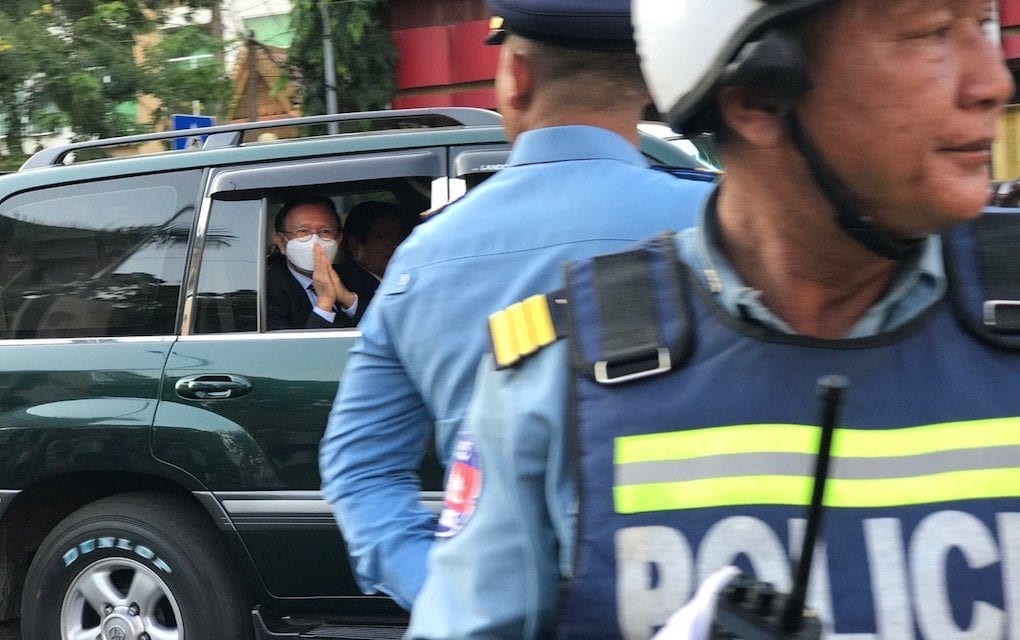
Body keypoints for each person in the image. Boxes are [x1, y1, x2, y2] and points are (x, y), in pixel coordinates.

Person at [408, 0, 1019, 638]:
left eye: (982, 25)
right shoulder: (553, 377)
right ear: (757, 97)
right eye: (931, 34)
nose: (992, 82)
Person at [317, 0, 715, 612]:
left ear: (518, 79)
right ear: (646, 85)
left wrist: (449, 595)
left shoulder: (423, 257)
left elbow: (359, 468)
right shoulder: (721, 226)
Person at [266, 195, 362, 330]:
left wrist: (347, 299)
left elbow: (384, 334)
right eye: (303, 231)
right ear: (281, 242)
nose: (315, 241)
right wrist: (325, 303)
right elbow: (291, 350)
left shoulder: (354, 277)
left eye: (325, 231)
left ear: (338, 239)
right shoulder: (265, 292)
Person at [336, 200, 411, 313]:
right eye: (383, 237)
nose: (394, 244)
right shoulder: (347, 282)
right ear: (355, 245)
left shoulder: (403, 278)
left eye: (398, 236)